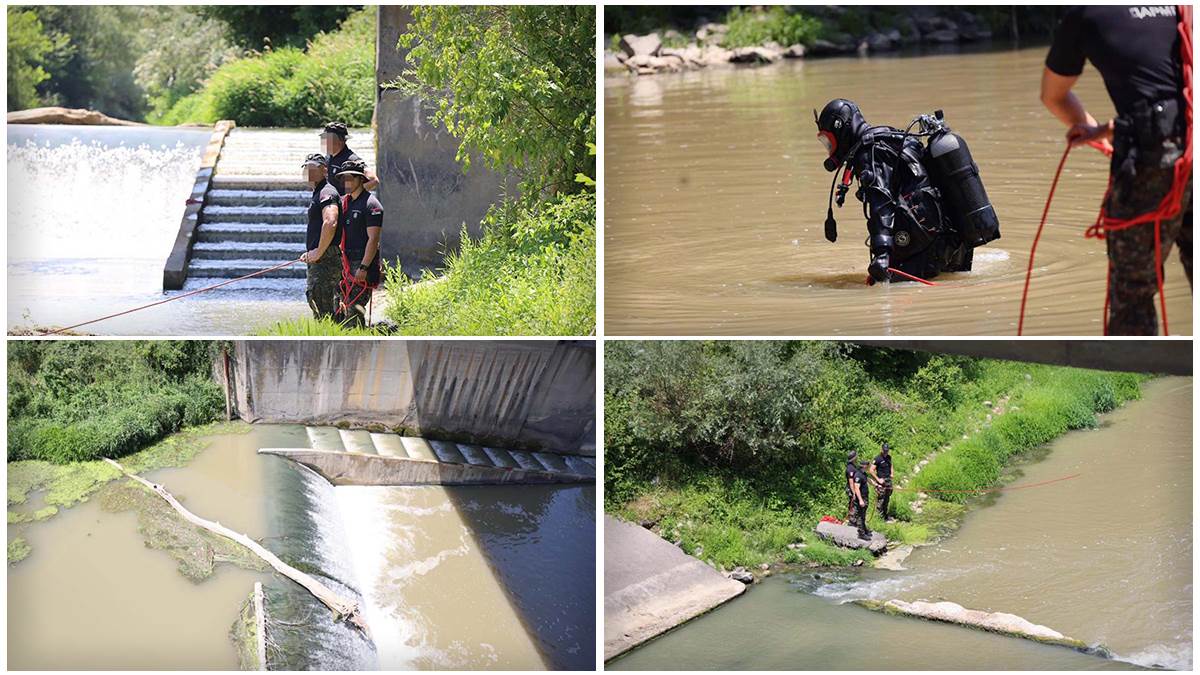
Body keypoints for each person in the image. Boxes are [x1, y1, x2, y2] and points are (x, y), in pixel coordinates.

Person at [1040, 6, 1192, 335]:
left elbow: (1053, 95)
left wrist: (1093, 127)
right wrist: (1112, 129)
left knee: (1133, 299)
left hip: (1154, 160)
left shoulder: (1087, 13)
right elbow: (1179, 99)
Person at [813, 99, 999, 284]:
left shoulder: (870, 153)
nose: (829, 149)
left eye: (828, 141)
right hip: (955, 240)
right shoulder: (893, 138)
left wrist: (882, 255)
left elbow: (881, 205)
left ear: (841, 128)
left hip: (928, 248)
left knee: (885, 290)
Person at [335, 159, 383, 327]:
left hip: (361, 263)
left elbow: (374, 239)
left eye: (350, 178)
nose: (346, 182)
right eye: (344, 178)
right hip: (345, 262)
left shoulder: (371, 205)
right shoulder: (345, 203)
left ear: (361, 179)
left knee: (353, 313)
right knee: (341, 311)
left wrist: (363, 267)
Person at [299, 153, 342, 320]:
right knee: (323, 310)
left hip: (326, 261)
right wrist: (312, 252)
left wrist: (318, 253)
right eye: (306, 168)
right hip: (323, 257)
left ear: (324, 170)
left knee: (326, 314)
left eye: (313, 169)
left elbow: (331, 222)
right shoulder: (319, 192)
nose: (309, 173)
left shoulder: (326, 192)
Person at [321, 122, 379, 194]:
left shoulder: (352, 160)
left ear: (341, 141)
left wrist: (350, 197)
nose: (325, 143)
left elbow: (374, 180)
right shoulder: (328, 157)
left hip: (345, 204)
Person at [866, 442, 894, 522]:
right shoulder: (877, 458)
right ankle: (879, 517)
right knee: (881, 499)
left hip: (888, 481)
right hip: (881, 482)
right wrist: (878, 480)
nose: (886, 452)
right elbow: (871, 470)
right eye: (884, 450)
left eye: (887, 451)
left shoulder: (889, 457)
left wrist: (892, 473)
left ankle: (885, 516)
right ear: (881, 449)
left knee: (887, 499)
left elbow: (891, 465)